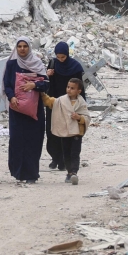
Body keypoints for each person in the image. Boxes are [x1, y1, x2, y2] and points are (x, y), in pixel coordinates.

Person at [3, 37, 50, 183]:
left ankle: (31, 174)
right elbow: (7, 84)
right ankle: (18, 173)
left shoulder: (36, 63)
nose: (22, 49)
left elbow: (46, 83)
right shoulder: (11, 64)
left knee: (33, 141)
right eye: (19, 46)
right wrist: (11, 97)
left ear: (29, 47)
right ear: (16, 48)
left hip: (34, 110)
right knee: (17, 140)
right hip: (16, 109)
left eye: (25, 46)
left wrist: (33, 85)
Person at [41, 78, 90, 185]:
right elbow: (49, 101)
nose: (69, 90)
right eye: (68, 87)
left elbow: (86, 117)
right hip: (65, 132)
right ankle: (69, 172)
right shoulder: (61, 100)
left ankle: (74, 172)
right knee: (66, 153)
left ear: (79, 91)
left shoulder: (81, 103)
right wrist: (40, 92)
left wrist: (79, 117)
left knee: (75, 153)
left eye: (72, 88)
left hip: (77, 132)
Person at [44, 41, 84, 171]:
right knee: (52, 131)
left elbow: (80, 88)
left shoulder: (75, 67)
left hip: (70, 104)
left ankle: (64, 160)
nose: (60, 60)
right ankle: (55, 157)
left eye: (63, 57)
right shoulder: (53, 64)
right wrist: (47, 74)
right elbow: (46, 83)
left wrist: (81, 105)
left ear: (67, 54)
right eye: (58, 57)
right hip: (54, 103)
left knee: (66, 132)